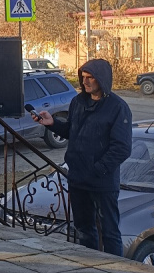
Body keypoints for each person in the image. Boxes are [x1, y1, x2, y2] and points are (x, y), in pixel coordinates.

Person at [32, 58, 132, 256]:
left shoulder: (118, 107)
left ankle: (115, 270)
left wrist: (98, 169)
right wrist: (52, 123)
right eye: (83, 77)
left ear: (102, 79)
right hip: (78, 179)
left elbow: (122, 148)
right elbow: (72, 131)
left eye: (90, 78)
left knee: (110, 233)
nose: (85, 82)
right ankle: (89, 267)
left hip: (103, 183)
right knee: (84, 231)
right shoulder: (77, 102)